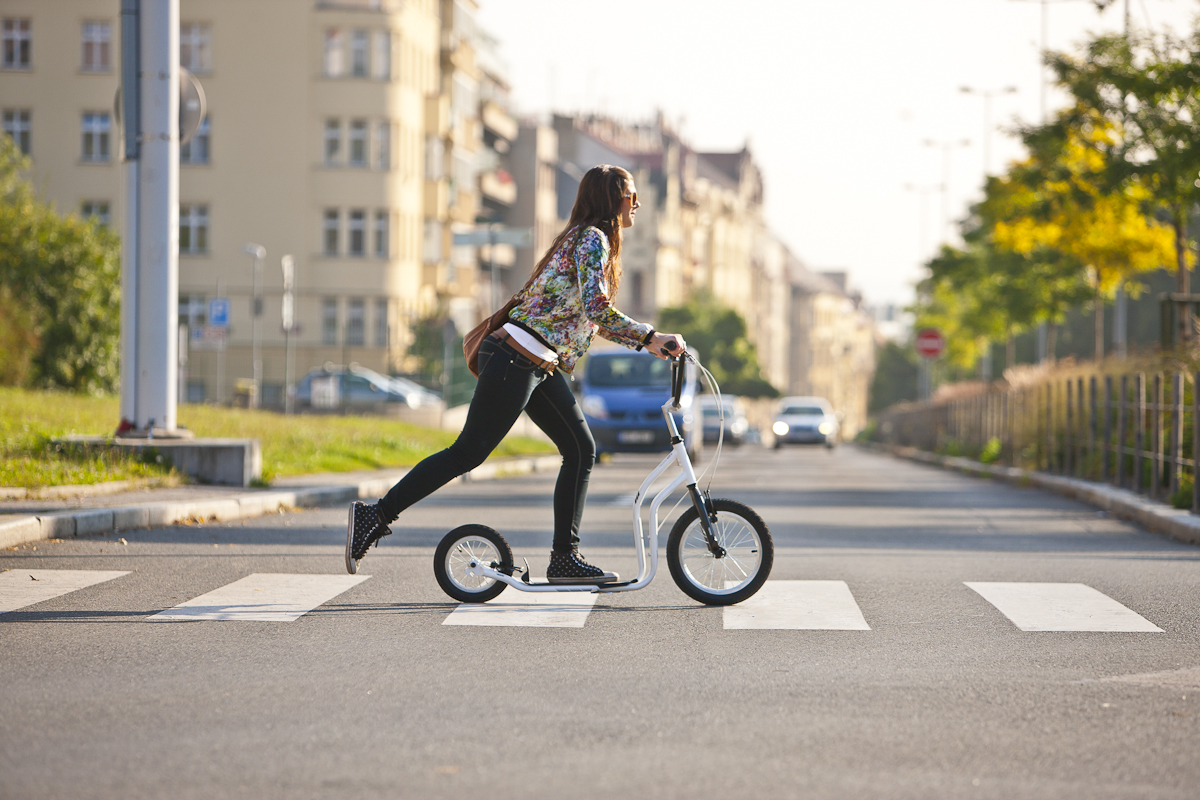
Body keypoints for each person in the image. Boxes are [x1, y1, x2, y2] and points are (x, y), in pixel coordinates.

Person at [345, 164, 686, 583]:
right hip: (516, 357)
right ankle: (374, 516)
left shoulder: (583, 239)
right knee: (468, 452)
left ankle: (565, 559)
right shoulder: (593, 239)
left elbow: (587, 318)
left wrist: (645, 341)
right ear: (613, 197)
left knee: (580, 450)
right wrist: (650, 335)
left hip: (536, 361)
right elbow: (596, 308)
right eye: (631, 195)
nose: (637, 203)